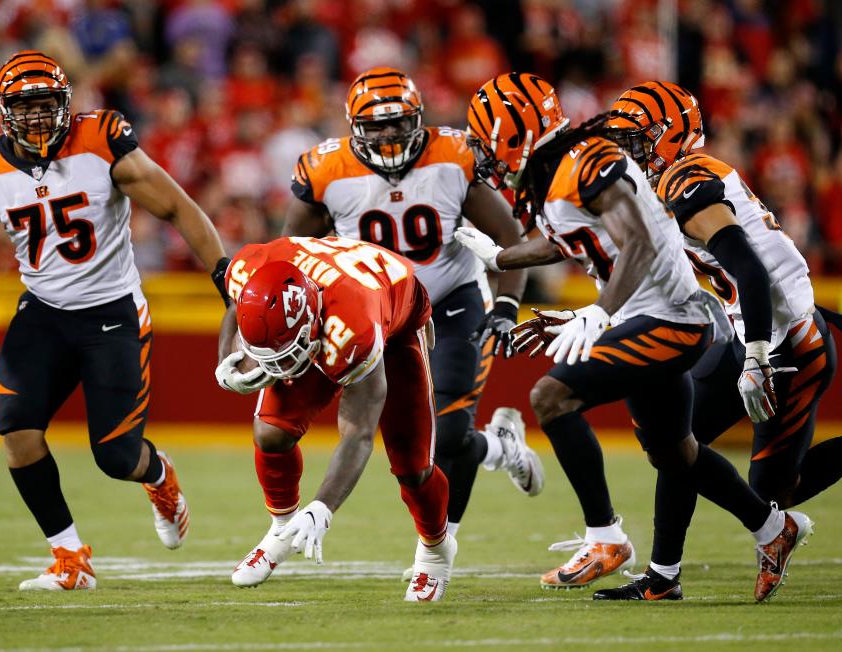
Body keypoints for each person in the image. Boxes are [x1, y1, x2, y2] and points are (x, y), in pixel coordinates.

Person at [454, 72, 811, 601]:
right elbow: (565, 241)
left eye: (487, 139)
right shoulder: (563, 167)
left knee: (550, 398)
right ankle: (770, 529)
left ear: (513, 135)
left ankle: (605, 537)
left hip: (672, 318)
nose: (483, 153)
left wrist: (599, 311)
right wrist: (499, 256)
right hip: (652, 316)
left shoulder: (583, 163)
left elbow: (638, 242)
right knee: (676, 453)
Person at [0, 51, 232, 591]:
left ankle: (159, 476)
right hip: (43, 310)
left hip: (111, 311)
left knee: (115, 456)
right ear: (2, 111)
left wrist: (224, 273)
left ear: (65, 105)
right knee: (16, 428)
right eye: (25, 106)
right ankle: (70, 558)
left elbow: (177, 206)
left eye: (45, 104)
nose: (37, 117)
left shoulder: (101, 139)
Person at [589, 81, 841, 600]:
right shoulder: (670, 184)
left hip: (784, 345)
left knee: (773, 491)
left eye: (637, 141)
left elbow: (749, 270)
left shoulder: (688, 177)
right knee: (675, 443)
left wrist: (756, 357)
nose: (627, 153)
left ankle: (763, 532)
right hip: (753, 327)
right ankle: (662, 577)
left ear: (670, 136)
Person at [282, 67, 543, 555]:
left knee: (444, 433)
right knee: (410, 436)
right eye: (376, 125)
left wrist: (506, 305)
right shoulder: (326, 170)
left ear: (418, 119)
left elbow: (510, 239)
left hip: (450, 301)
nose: (387, 134)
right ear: (352, 125)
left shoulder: (454, 155)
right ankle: (501, 448)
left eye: (398, 122)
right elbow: (292, 255)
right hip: (377, 313)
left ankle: (437, 544)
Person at [214, 235, 455, 602]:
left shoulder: (353, 329)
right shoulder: (252, 266)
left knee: (412, 464)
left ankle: (436, 552)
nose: (276, 369)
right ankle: (282, 530)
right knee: (270, 432)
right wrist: (226, 357)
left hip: (394, 316)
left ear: (311, 324)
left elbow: (358, 432)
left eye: (284, 354)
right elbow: (236, 305)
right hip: (333, 297)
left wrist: (322, 508)